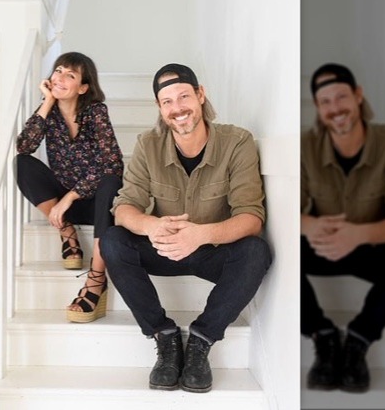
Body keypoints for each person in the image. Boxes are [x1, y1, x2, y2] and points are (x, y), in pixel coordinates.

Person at [100, 63, 271, 393]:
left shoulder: (237, 142)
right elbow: (124, 209)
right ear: (159, 108)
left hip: (213, 250)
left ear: (200, 95)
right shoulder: (148, 145)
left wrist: (202, 234)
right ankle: (164, 337)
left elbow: (252, 218)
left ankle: (201, 341)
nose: (177, 108)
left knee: (257, 251)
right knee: (113, 240)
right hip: (165, 248)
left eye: (183, 96)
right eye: (167, 101)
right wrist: (151, 225)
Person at [301, 63, 385, 393]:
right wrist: (310, 224)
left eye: (341, 97)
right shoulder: (305, 147)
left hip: (371, 247)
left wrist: (358, 234)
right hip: (322, 247)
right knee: (270, 248)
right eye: (325, 102)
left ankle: (358, 340)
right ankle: (322, 335)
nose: (336, 109)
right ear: (318, 108)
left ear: (358, 96)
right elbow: (286, 212)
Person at [16, 51, 124, 323]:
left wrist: (69, 199)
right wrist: (47, 101)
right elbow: (24, 145)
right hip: (63, 205)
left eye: (70, 75)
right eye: (58, 71)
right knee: (23, 163)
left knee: (111, 182)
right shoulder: (49, 112)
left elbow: (112, 164)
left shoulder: (96, 112)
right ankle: (67, 233)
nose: (60, 77)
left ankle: (96, 281)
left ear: (83, 87)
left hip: (97, 204)